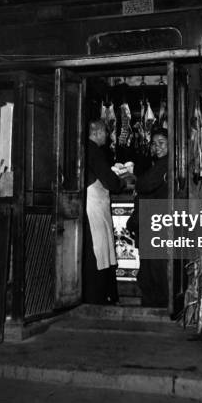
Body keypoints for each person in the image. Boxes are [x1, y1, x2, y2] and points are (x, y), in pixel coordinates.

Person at [127, 128, 169, 307]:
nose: (157, 147)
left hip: (157, 223)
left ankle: (155, 306)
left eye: (161, 143)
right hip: (154, 222)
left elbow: (145, 183)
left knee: (153, 268)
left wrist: (135, 180)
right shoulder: (159, 163)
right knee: (151, 267)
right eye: (154, 143)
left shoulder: (165, 163)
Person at [84, 119, 124, 304]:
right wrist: (121, 182)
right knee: (99, 251)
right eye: (105, 133)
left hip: (93, 206)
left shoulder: (85, 148)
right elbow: (110, 181)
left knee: (100, 250)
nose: (107, 137)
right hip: (93, 207)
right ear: (98, 132)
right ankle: (99, 297)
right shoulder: (94, 150)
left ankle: (100, 295)